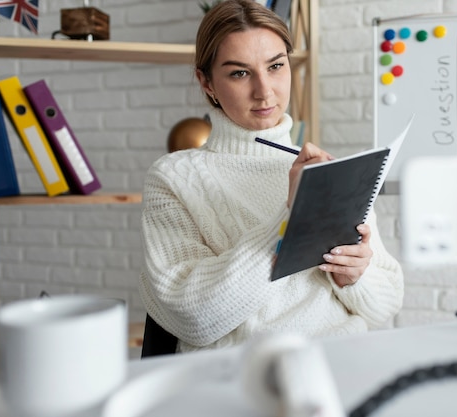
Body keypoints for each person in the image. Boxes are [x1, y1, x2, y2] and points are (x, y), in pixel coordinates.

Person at [138, 0, 404, 353]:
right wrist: (290, 215)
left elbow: (386, 304)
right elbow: (194, 318)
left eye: (276, 66)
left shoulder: (324, 171)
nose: (264, 91)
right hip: (243, 376)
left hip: (341, 362)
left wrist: (353, 276)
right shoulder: (174, 178)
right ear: (207, 83)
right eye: (239, 73)